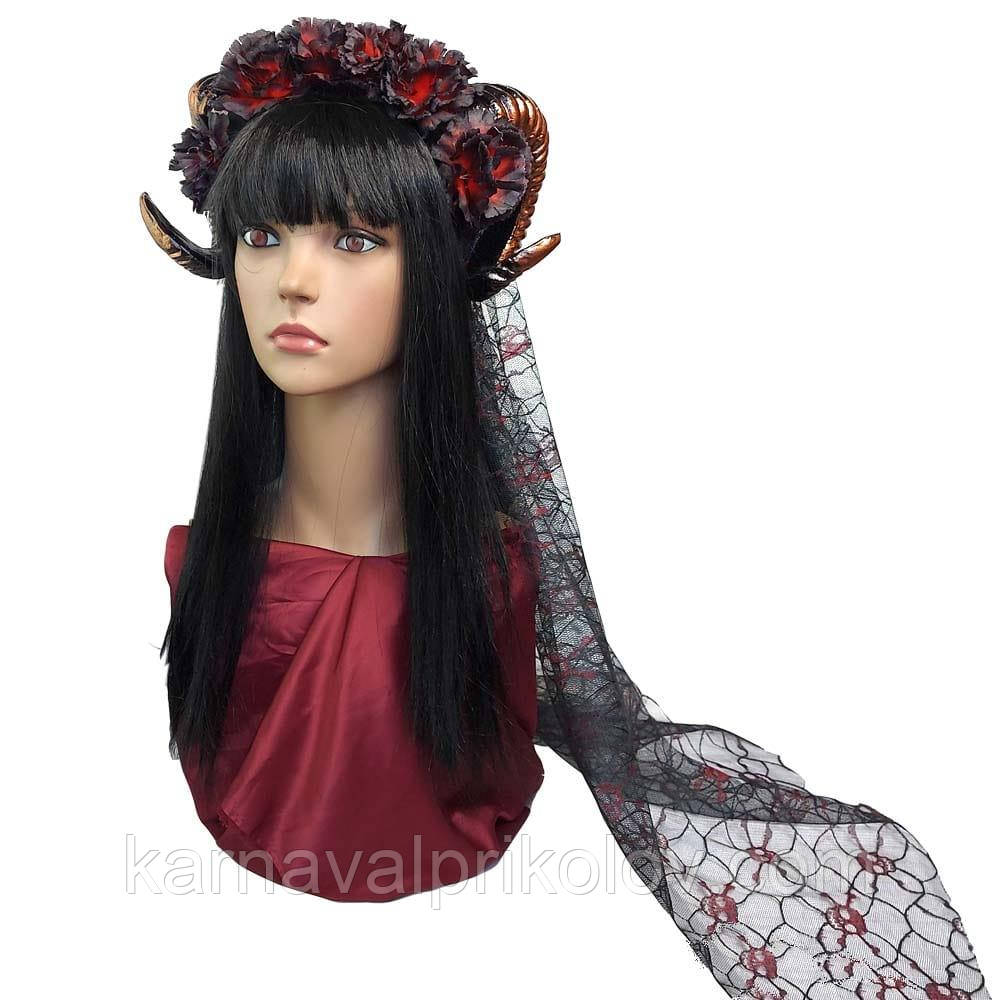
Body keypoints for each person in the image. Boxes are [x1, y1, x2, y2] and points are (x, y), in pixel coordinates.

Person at [143, 17, 991, 998]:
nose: (293, 280)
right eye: (261, 236)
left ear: (434, 270)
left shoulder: (489, 571)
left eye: (354, 239)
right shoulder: (210, 562)